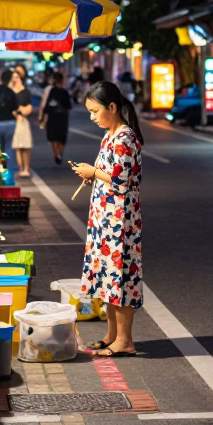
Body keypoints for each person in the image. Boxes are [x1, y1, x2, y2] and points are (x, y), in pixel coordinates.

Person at [73, 81, 143, 357]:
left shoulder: (125, 138)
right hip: (105, 216)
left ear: (112, 108)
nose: (92, 117)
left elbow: (121, 179)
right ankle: (112, 335)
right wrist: (91, 174)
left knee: (121, 277)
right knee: (108, 278)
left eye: (95, 111)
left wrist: (93, 172)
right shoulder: (109, 136)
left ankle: (125, 340)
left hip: (120, 219)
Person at [39, 71, 72, 164]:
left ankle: (57, 154)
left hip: (53, 116)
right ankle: (60, 153)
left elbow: (47, 106)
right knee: (62, 137)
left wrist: (43, 117)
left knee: (53, 137)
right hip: (62, 116)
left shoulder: (52, 91)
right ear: (62, 80)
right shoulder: (65, 92)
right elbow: (68, 107)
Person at [10, 69, 34, 178]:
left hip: (23, 120)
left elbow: (29, 107)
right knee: (17, 146)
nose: (15, 79)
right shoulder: (10, 91)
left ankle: (26, 168)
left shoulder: (25, 92)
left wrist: (21, 110)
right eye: (13, 77)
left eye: (17, 77)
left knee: (26, 146)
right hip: (13, 121)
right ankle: (20, 168)